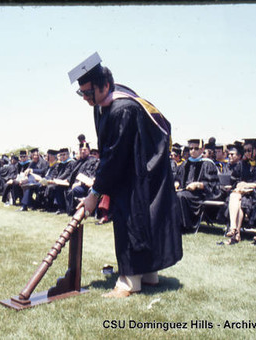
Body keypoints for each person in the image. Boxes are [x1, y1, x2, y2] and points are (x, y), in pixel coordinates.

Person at [69, 52, 182, 298]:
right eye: (82, 94)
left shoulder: (123, 108)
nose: (86, 99)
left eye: (89, 93)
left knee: (132, 221)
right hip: (136, 170)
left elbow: (113, 157)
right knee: (143, 221)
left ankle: (129, 282)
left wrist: (94, 194)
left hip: (142, 172)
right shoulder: (103, 104)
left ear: (105, 85)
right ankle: (149, 275)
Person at [224, 138, 256, 244]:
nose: (247, 153)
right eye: (245, 151)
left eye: (249, 150)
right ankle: (233, 229)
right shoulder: (243, 164)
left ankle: (235, 233)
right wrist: (239, 184)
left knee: (239, 199)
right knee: (235, 196)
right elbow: (235, 179)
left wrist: (248, 185)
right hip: (243, 193)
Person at [175, 139, 221, 231]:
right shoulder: (185, 163)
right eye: (191, 148)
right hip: (185, 192)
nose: (192, 151)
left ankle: (184, 226)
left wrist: (198, 185)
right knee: (174, 194)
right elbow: (177, 178)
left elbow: (212, 184)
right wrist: (176, 183)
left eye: (196, 148)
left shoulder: (207, 164)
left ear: (202, 149)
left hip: (199, 195)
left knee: (180, 196)